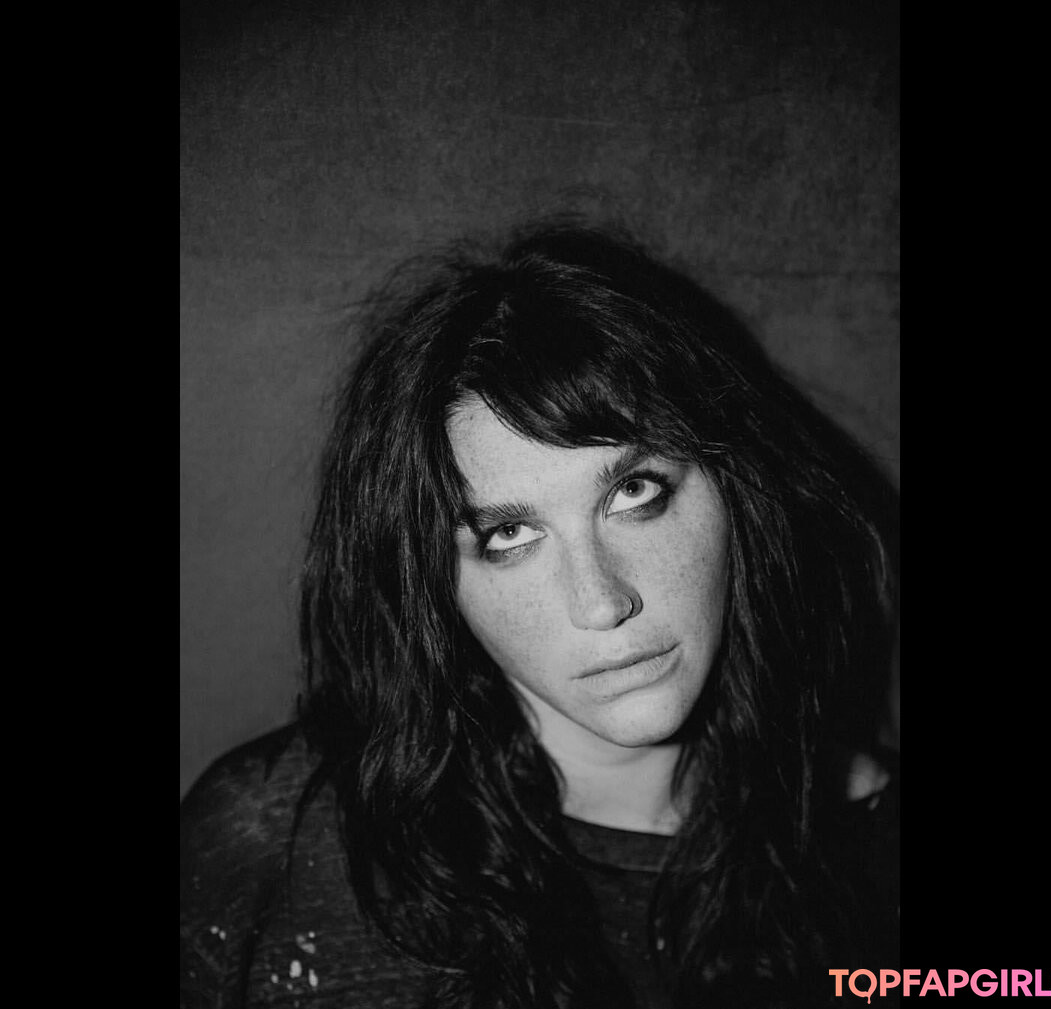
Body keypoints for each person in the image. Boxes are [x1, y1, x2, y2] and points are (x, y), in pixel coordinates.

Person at [179, 222, 900, 1009]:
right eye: (509, 536)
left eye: (634, 493)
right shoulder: (273, 844)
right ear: (433, 583)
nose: (602, 601)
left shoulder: (873, 851)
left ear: (738, 491)